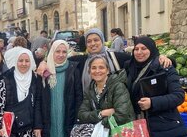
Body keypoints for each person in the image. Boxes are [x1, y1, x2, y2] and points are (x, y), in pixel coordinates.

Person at [37, 28, 171, 92]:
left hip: (115, 113)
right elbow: (58, 59)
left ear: (102, 41)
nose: (93, 44)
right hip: (90, 113)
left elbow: (141, 60)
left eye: (96, 40)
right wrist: (43, 63)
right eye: (89, 41)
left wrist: (159, 57)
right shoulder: (81, 61)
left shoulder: (117, 57)